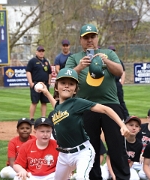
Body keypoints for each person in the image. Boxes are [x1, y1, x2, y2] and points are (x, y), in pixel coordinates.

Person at [39, 67, 129, 180]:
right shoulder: (59, 106)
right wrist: (46, 92)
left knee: (82, 178)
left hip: (82, 152)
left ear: (76, 90)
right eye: (63, 83)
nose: (67, 86)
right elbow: (56, 105)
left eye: (71, 84)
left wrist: (122, 125)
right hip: (63, 155)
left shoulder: (78, 103)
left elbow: (106, 109)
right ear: (56, 87)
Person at [65, 24, 130, 179]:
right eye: (86, 37)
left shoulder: (107, 53)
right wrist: (80, 67)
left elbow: (119, 71)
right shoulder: (74, 58)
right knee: (90, 148)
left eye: (92, 37)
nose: (89, 40)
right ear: (80, 40)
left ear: (97, 38)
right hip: (85, 106)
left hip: (110, 104)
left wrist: (106, 61)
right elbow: (66, 78)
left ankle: (122, 177)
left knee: (116, 146)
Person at [101, 116, 142, 180]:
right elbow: (108, 158)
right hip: (110, 166)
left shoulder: (139, 145)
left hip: (125, 167)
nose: (134, 128)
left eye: (137, 126)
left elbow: (131, 162)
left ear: (139, 129)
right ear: (124, 126)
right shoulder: (118, 140)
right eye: (131, 125)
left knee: (135, 178)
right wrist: (113, 175)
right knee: (102, 176)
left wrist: (123, 173)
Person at [26, 46, 52, 124]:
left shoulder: (46, 62)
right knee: (34, 102)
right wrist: (31, 82)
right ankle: (31, 119)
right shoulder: (32, 61)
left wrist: (49, 82)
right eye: (40, 51)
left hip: (44, 84)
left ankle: (43, 118)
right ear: (36, 52)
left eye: (42, 51)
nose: (41, 52)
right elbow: (28, 71)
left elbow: (49, 72)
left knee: (44, 102)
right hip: (36, 83)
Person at [108, 45, 130, 120]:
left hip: (116, 83)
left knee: (120, 101)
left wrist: (121, 83)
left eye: (113, 51)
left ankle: (126, 117)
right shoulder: (106, 61)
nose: (113, 52)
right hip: (109, 84)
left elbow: (123, 72)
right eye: (111, 51)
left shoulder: (118, 61)